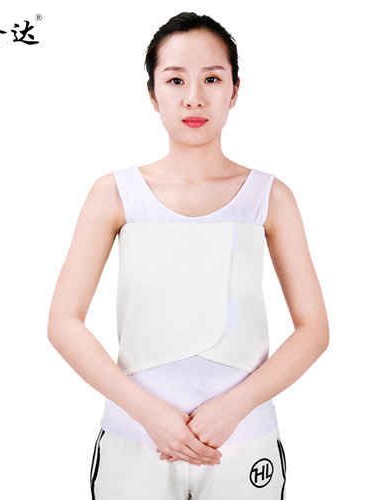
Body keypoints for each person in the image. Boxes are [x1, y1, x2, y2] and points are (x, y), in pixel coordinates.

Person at [47, 11, 329, 500]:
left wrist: (234, 408)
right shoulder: (115, 194)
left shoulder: (268, 197)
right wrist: (148, 413)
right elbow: (63, 322)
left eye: (212, 79)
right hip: (135, 443)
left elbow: (314, 329)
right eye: (175, 79)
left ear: (235, 90)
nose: (194, 97)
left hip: (242, 443)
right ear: (153, 93)